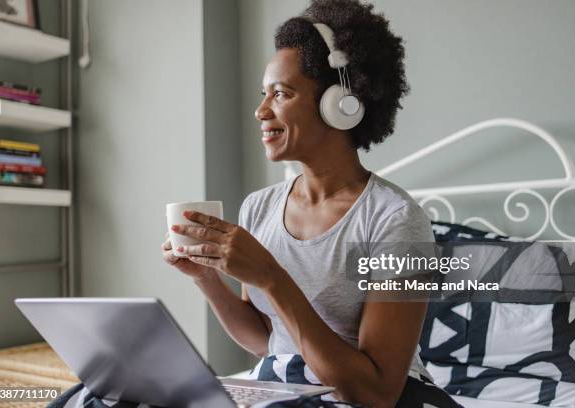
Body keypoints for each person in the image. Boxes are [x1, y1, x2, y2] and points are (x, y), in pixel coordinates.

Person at [162, 1, 461, 406]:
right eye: (262, 94)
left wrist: (272, 276)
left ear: (339, 103)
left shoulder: (395, 220)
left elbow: (376, 393)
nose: (260, 110)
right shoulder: (259, 207)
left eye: (281, 94)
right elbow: (268, 342)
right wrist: (206, 279)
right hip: (290, 387)